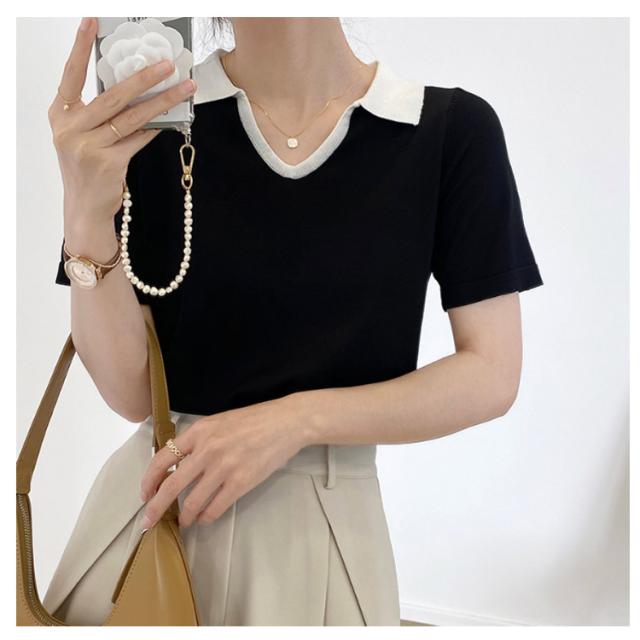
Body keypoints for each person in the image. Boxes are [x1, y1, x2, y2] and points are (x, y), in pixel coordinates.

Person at [42, 17, 543, 626]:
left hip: (325, 534)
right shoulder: (156, 122)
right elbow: (129, 392)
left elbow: (491, 372)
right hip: (157, 515)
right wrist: (83, 215)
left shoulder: (445, 131)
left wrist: (295, 421)